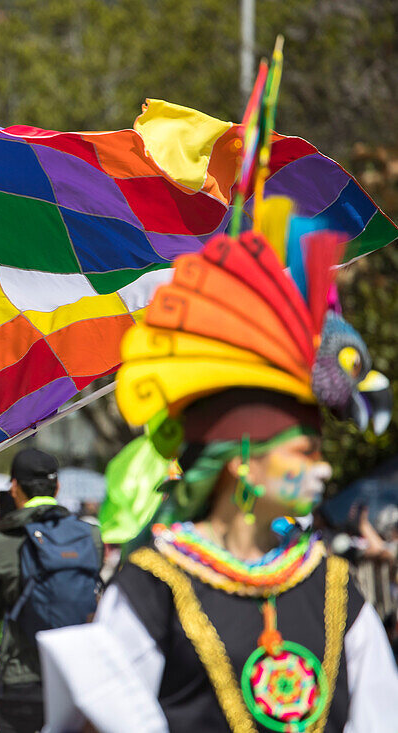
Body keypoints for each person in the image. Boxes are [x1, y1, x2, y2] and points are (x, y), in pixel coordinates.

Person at [38, 230, 398, 732]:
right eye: (304, 452)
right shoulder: (152, 585)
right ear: (243, 463)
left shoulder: (335, 585)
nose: (324, 469)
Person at [0, 448, 102, 733]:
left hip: (20, 681)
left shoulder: (1, 544)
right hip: (75, 677)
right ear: (57, 487)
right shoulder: (90, 537)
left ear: (14, 487)